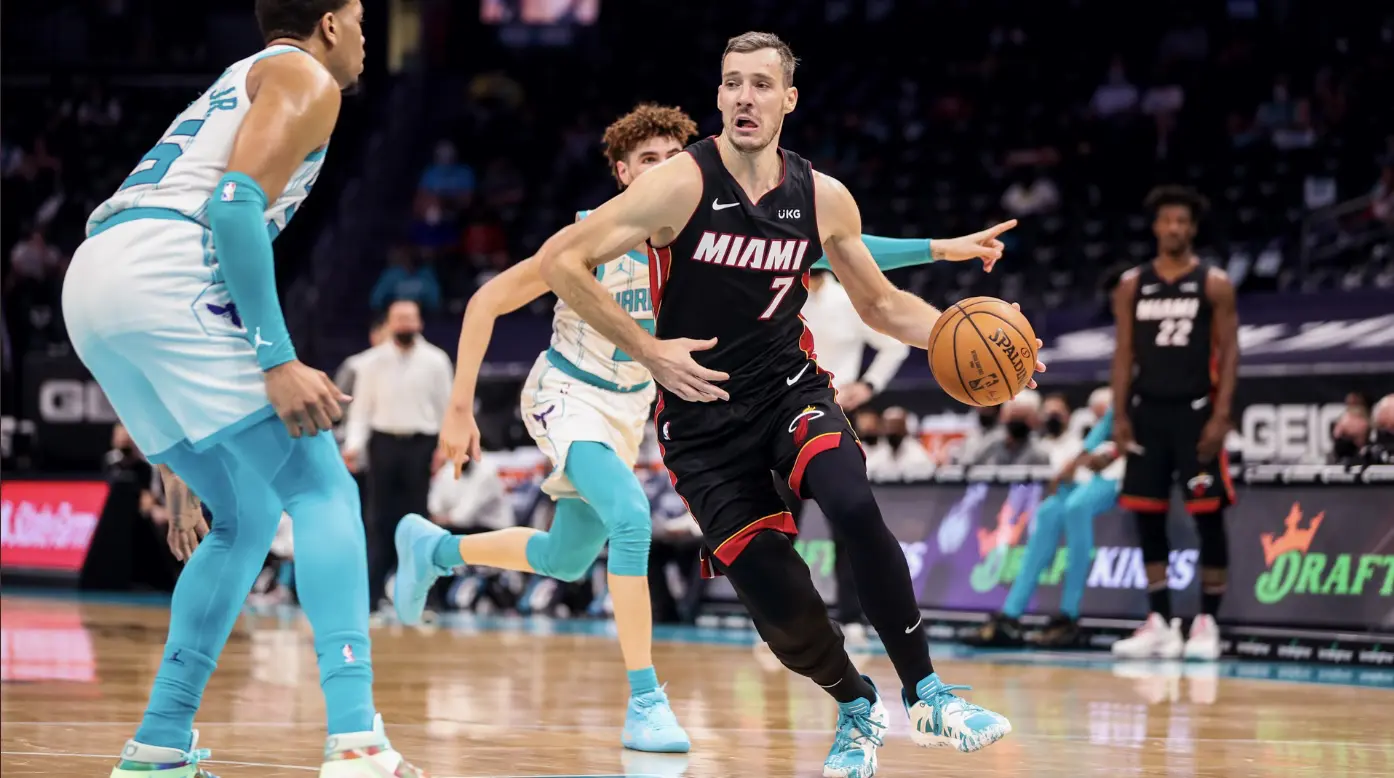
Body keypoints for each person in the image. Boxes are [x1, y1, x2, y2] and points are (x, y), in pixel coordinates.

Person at [534, 32, 1041, 777]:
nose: (745, 97)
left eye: (762, 84)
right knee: (780, 602)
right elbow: (560, 260)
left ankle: (928, 694)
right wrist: (648, 349)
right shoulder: (679, 183)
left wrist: (980, 343)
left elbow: (880, 304)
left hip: (787, 391)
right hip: (702, 424)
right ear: (719, 96)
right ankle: (856, 705)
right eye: (733, 82)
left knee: (852, 501)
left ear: (788, 100)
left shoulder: (822, 196)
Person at [392, 102, 970, 754]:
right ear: (621, 173)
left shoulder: (701, 230)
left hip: (629, 408)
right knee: (631, 520)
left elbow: (832, 247)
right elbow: (487, 300)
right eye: (648, 160)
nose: (664, 169)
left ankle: (435, 551)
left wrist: (937, 248)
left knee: (567, 557)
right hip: (568, 393)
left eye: (673, 157)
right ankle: (646, 700)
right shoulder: (592, 233)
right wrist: (460, 408)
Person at [59, 2, 427, 776]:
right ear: (330, 24)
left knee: (244, 513)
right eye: (362, 20)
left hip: (94, 281)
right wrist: (276, 357)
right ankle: (356, 741)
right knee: (323, 488)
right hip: (168, 268)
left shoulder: (238, 79)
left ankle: (160, 741)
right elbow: (233, 206)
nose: (367, 38)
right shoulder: (305, 74)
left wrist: (174, 448)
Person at [1109, 185, 1239, 662]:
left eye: (1182, 221)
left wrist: (1221, 414)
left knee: (1208, 516)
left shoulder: (1214, 283)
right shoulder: (1132, 285)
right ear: (1155, 227)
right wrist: (1120, 414)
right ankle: (1161, 621)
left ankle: (1206, 621)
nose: (1174, 228)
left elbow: (1230, 352)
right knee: (1148, 517)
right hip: (1148, 415)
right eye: (1167, 220)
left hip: (1196, 413)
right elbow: (1123, 353)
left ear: (1193, 228)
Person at [966, 389, 1123, 648]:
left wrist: (1114, 454)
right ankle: (1011, 615)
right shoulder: (1124, 392)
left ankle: (1069, 615)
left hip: (1132, 466)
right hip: (1102, 467)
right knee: (1049, 510)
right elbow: (1104, 427)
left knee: (1076, 508)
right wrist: (1075, 461)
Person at [341, 299, 454, 610]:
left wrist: (445, 448)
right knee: (378, 520)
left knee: (421, 520)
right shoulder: (372, 362)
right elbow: (361, 410)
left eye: (409, 319)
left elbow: (447, 407)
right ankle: (371, 597)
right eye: (399, 319)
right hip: (383, 444)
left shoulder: (436, 360)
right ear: (390, 323)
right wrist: (353, 446)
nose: (404, 324)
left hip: (422, 445)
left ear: (420, 323)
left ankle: (427, 597)